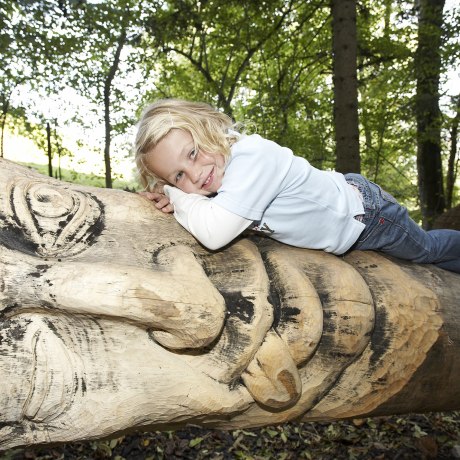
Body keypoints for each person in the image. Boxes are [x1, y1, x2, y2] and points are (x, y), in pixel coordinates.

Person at [135, 98, 460, 274]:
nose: (194, 175)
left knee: (425, 251)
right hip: (342, 229)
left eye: (192, 153)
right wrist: (177, 200)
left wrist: (175, 196)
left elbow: (214, 232)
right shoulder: (218, 179)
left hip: (369, 218)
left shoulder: (251, 159)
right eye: (177, 176)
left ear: (208, 127)